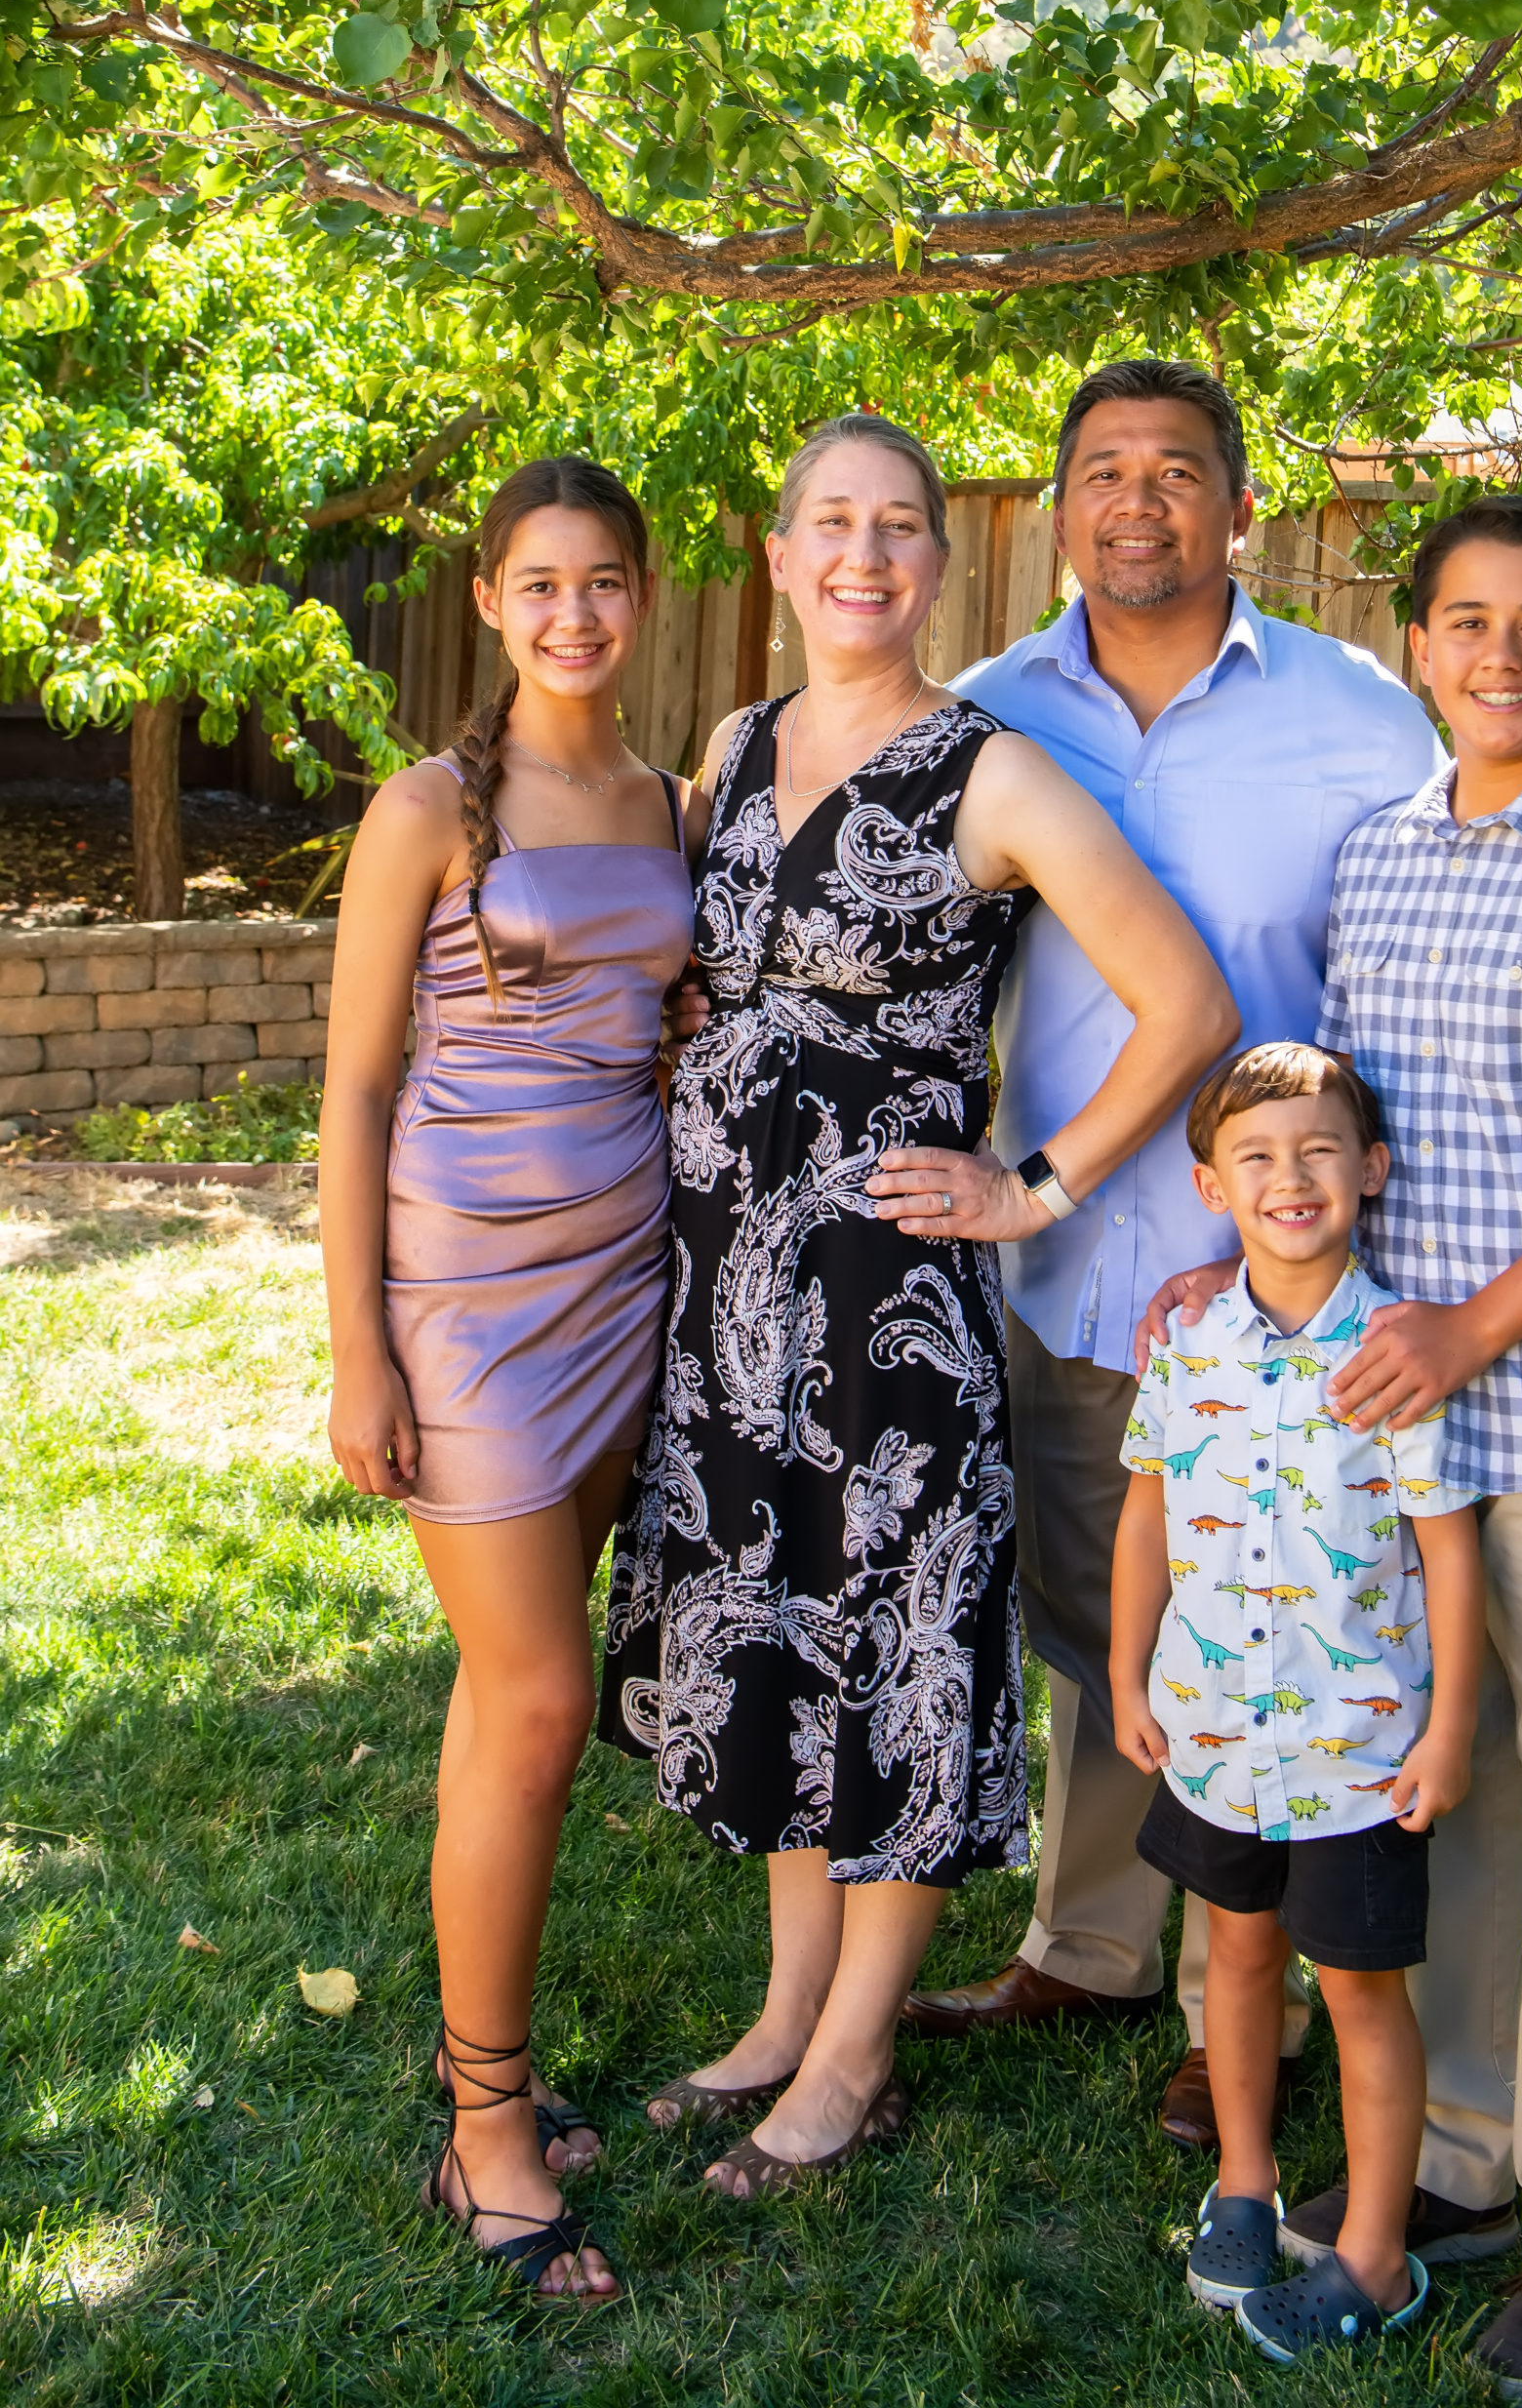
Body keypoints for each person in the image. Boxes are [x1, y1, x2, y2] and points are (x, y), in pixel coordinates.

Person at [598, 413, 1236, 2196]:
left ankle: (863, 2048)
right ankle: (792, 2004)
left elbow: (1186, 1004)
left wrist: (1032, 1188)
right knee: (773, 1631)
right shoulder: (732, 750)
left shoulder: (996, 774)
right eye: (832, 524)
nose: (865, 555)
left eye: (901, 528)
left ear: (944, 566)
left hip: (887, 1300)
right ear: (784, 554)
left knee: (883, 1643)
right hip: (725, 1288)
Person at [1144, 494, 1522, 2401]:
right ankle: (1467, 2155)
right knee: (1439, 1793)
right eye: (1465, 619)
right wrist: (1223, 1268)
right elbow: (1323, 1126)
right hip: (1393, 1443)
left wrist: (1475, 1322)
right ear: (1418, 647)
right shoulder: (1385, 855)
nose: (1500, 653)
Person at [897, 356, 1448, 2149]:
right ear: (1058, 507)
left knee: (1299, 1626)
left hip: (1289, 1292)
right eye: (1106, 472)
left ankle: (1269, 1994)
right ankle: (1094, 1941)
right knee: (1099, 1614)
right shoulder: (976, 714)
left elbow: (1414, 989)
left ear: (1240, 505)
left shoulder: (1363, 719)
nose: (1142, 503)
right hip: (1064, 1262)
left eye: (1181, 472)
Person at [321, 456, 700, 2304]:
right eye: (539, 584)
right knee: (545, 1702)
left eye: (604, 582)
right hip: (465, 1298)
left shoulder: (664, 795)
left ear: (642, 595)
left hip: (625, 1277)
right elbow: (356, 1089)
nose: (574, 614)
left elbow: (664, 1016)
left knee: (503, 1698)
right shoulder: (430, 806)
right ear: (489, 601)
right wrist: (357, 1345)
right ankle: (481, 2132)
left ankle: (504, 2080)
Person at [1108, 1042, 1483, 2364]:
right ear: (1212, 1186)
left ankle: (1376, 2256)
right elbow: (1146, 1510)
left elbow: (1447, 1548)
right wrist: (1122, 1667)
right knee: (1238, 1955)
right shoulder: (1185, 1346)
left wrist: (1444, 1732)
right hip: (1213, 1729)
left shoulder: (1393, 1354)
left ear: (1371, 1170)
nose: (1292, 1177)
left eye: (1320, 1150)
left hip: (1359, 1755)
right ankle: (1249, 2187)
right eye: (1258, 1157)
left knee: (1362, 1990)